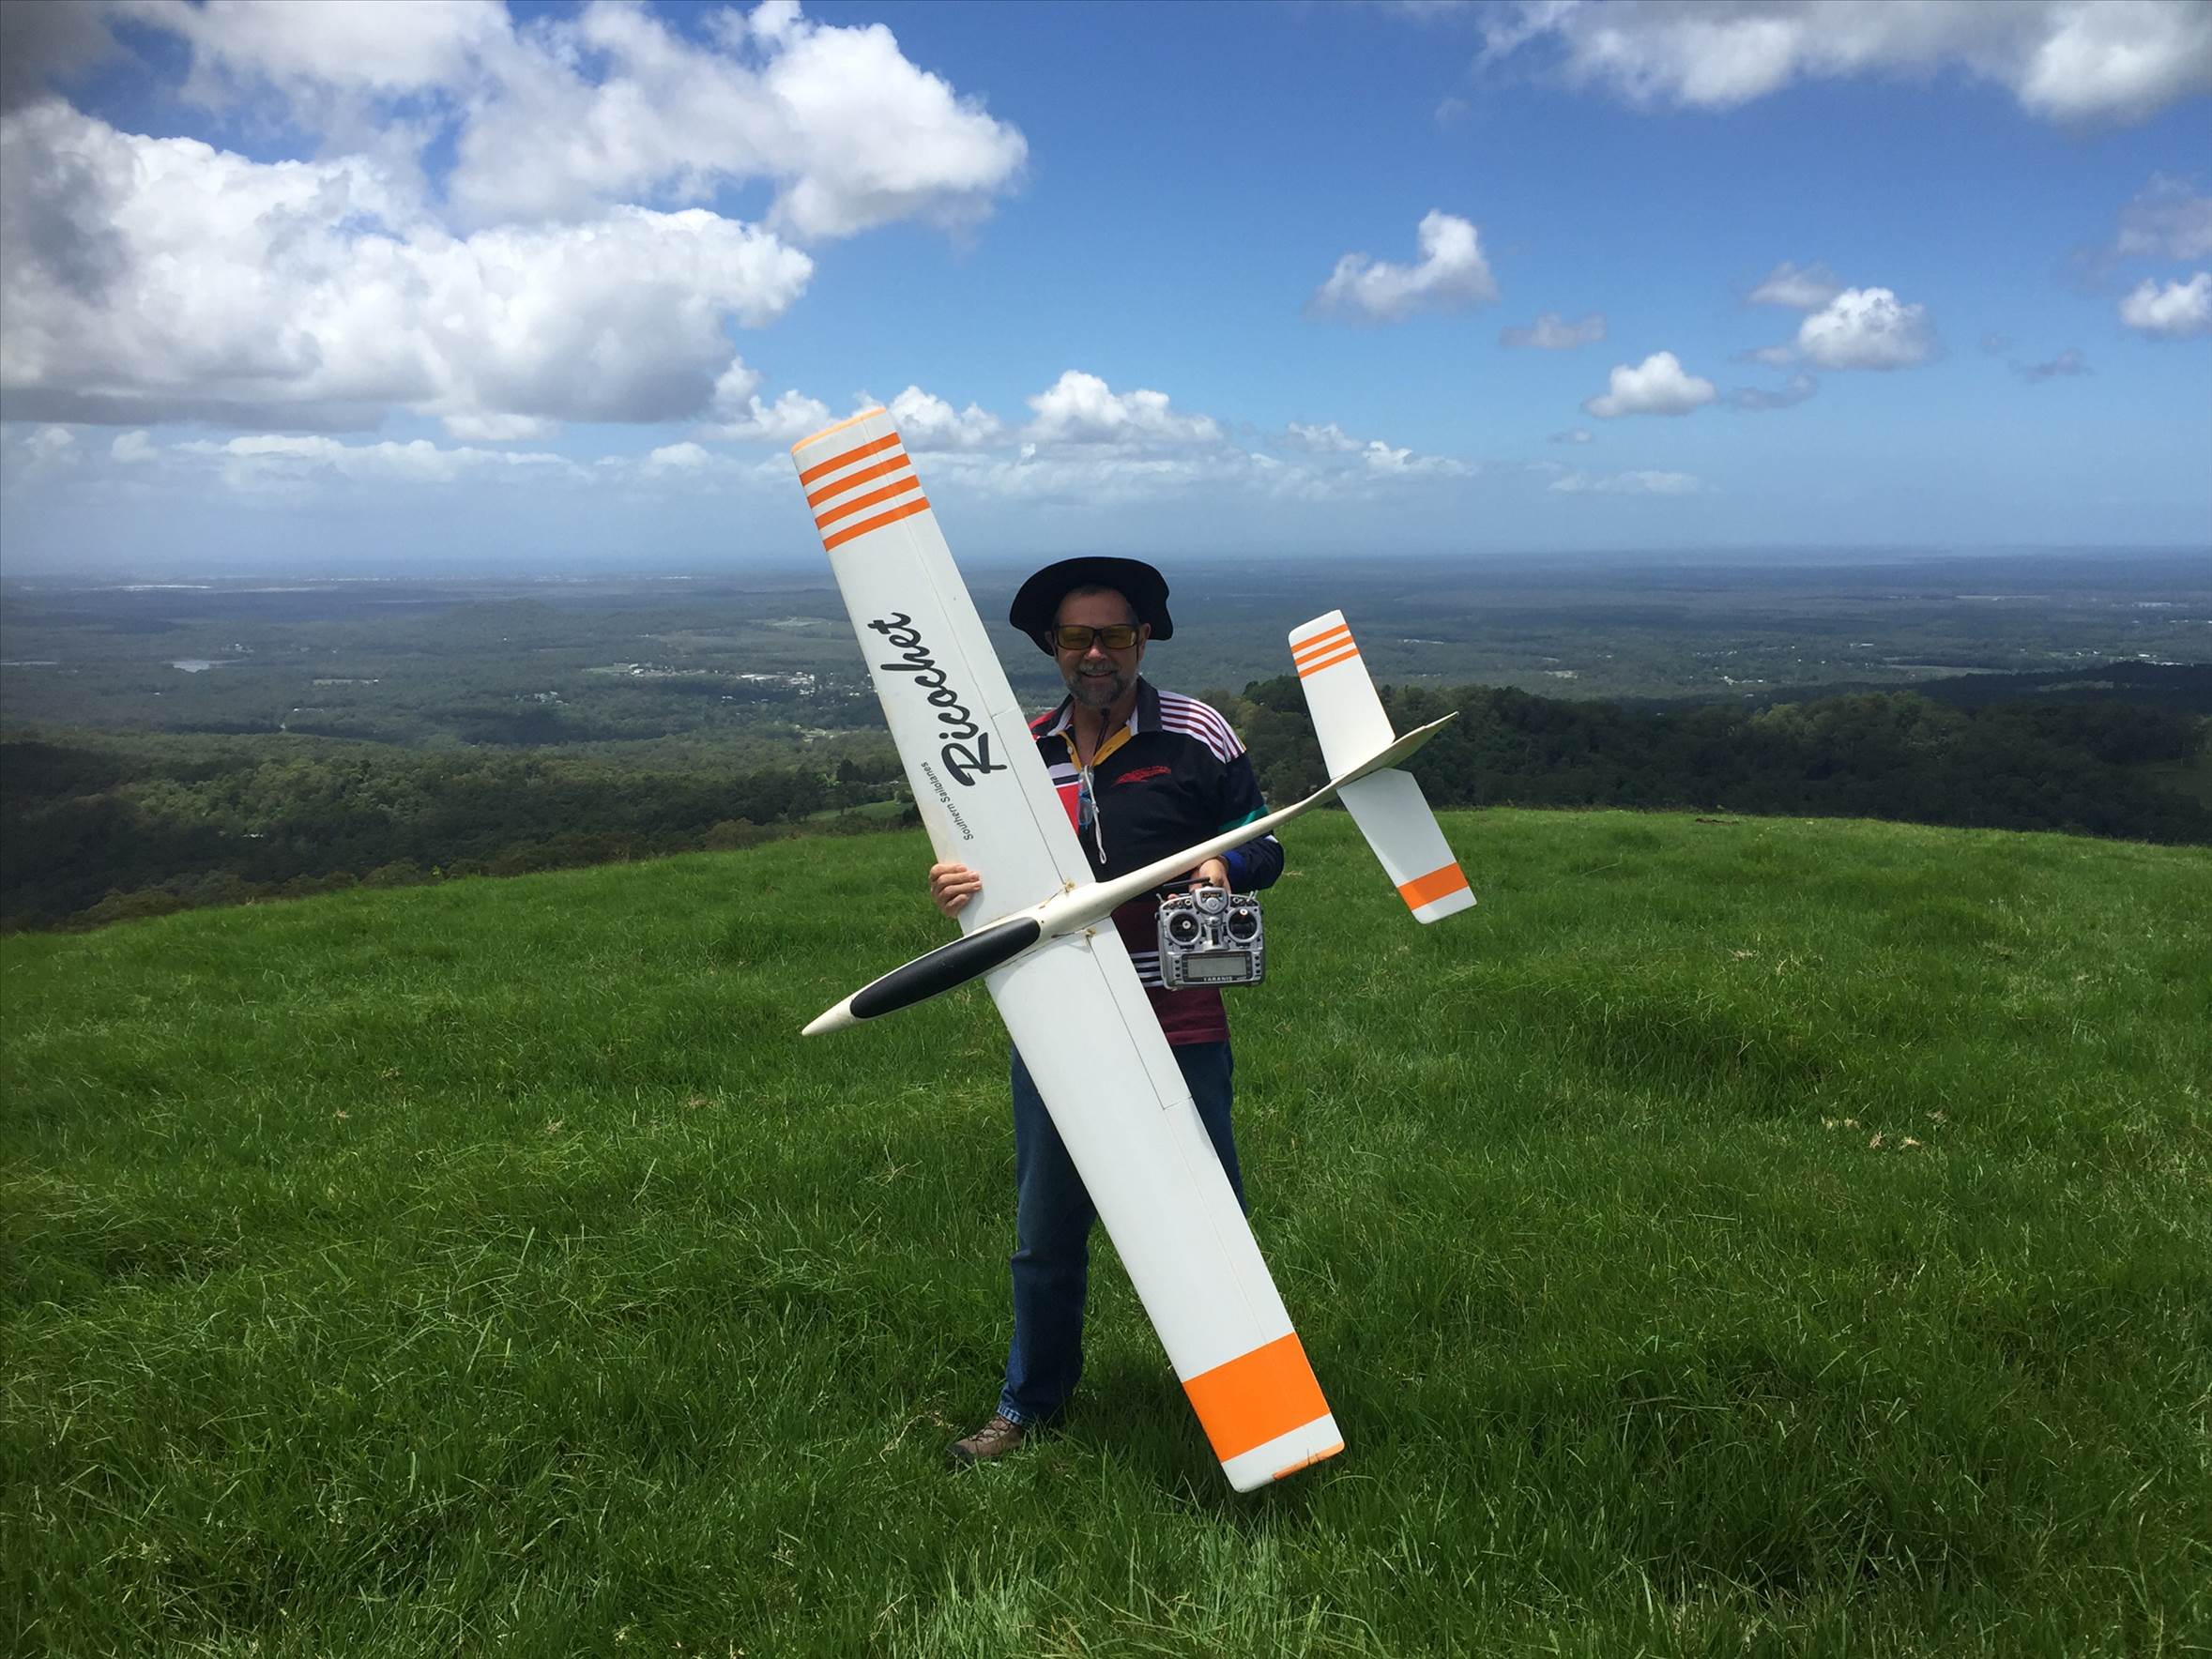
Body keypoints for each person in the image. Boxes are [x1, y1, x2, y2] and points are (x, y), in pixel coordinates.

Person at [928, 556, 1283, 1466]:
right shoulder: (1020, 750)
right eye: (1077, 637)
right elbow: (991, 875)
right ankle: (1026, 1404)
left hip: (1180, 1015)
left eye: (1113, 635)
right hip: (1060, 1019)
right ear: (1053, 647)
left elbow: (1264, 840)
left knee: (1208, 1220)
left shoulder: (1196, 731)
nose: (1095, 653)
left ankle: (1240, 1407)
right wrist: (955, 885)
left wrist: (1225, 864)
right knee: (1045, 1235)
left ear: (1143, 639)